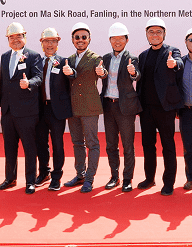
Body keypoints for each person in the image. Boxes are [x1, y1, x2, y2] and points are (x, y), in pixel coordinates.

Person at [135, 17, 183, 194]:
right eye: (151, 32)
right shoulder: (143, 55)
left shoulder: (172, 51)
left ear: (164, 34)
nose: (155, 35)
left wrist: (175, 63)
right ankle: (149, 178)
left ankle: (168, 182)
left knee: (168, 145)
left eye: (158, 32)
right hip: (146, 109)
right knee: (148, 145)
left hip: (165, 109)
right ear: (147, 34)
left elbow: (179, 63)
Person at [0, 22, 43, 194]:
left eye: (18, 36)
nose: (15, 40)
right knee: (9, 147)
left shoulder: (33, 56)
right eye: (12, 37)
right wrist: (3, 108)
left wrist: (29, 83)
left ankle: (30, 180)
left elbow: (38, 77)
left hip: (26, 111)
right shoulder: (4, 56)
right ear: (8, 39)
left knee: (29, 147)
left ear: (24, 37)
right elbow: (4, 83)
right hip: (8, 111)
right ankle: (10, 178)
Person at [61, 22, 104, 193]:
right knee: (77, 142)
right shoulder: (69, 60)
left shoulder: (96, 58)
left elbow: (102, 71)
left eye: (84, 37)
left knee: (92, 143)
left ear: (89, 39)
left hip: (90, 108)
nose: (80, 40)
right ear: (72, 40)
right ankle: (80, 174)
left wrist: (103, 73)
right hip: (73, 108)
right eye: (77, 37)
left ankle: (89, 178)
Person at [100, 22, 142, 192]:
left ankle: (127, 178)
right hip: (108, 105)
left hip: (125, 108)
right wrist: (101, 73)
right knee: (110, 144)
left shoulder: (132, 58)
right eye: (114, 38)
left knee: (128, 145)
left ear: (127, 39)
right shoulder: (105, 58)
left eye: (121, 38)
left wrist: (133, 72)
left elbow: (137, 76)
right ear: (110, 40)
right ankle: (114, 176)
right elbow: (103, 76)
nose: (117, 41)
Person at [35, 28, 71, 192]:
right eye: (46, 41)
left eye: (53, 41)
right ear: (41, 44)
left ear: (57, 43)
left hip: (57, 110)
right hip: (40, 109)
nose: (50, 44)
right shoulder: (36, 62)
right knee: (41, 143)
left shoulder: (64, 62)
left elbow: (72, 76)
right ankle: (44, 172)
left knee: (57, 144)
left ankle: (56, 177)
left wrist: (71, 73)